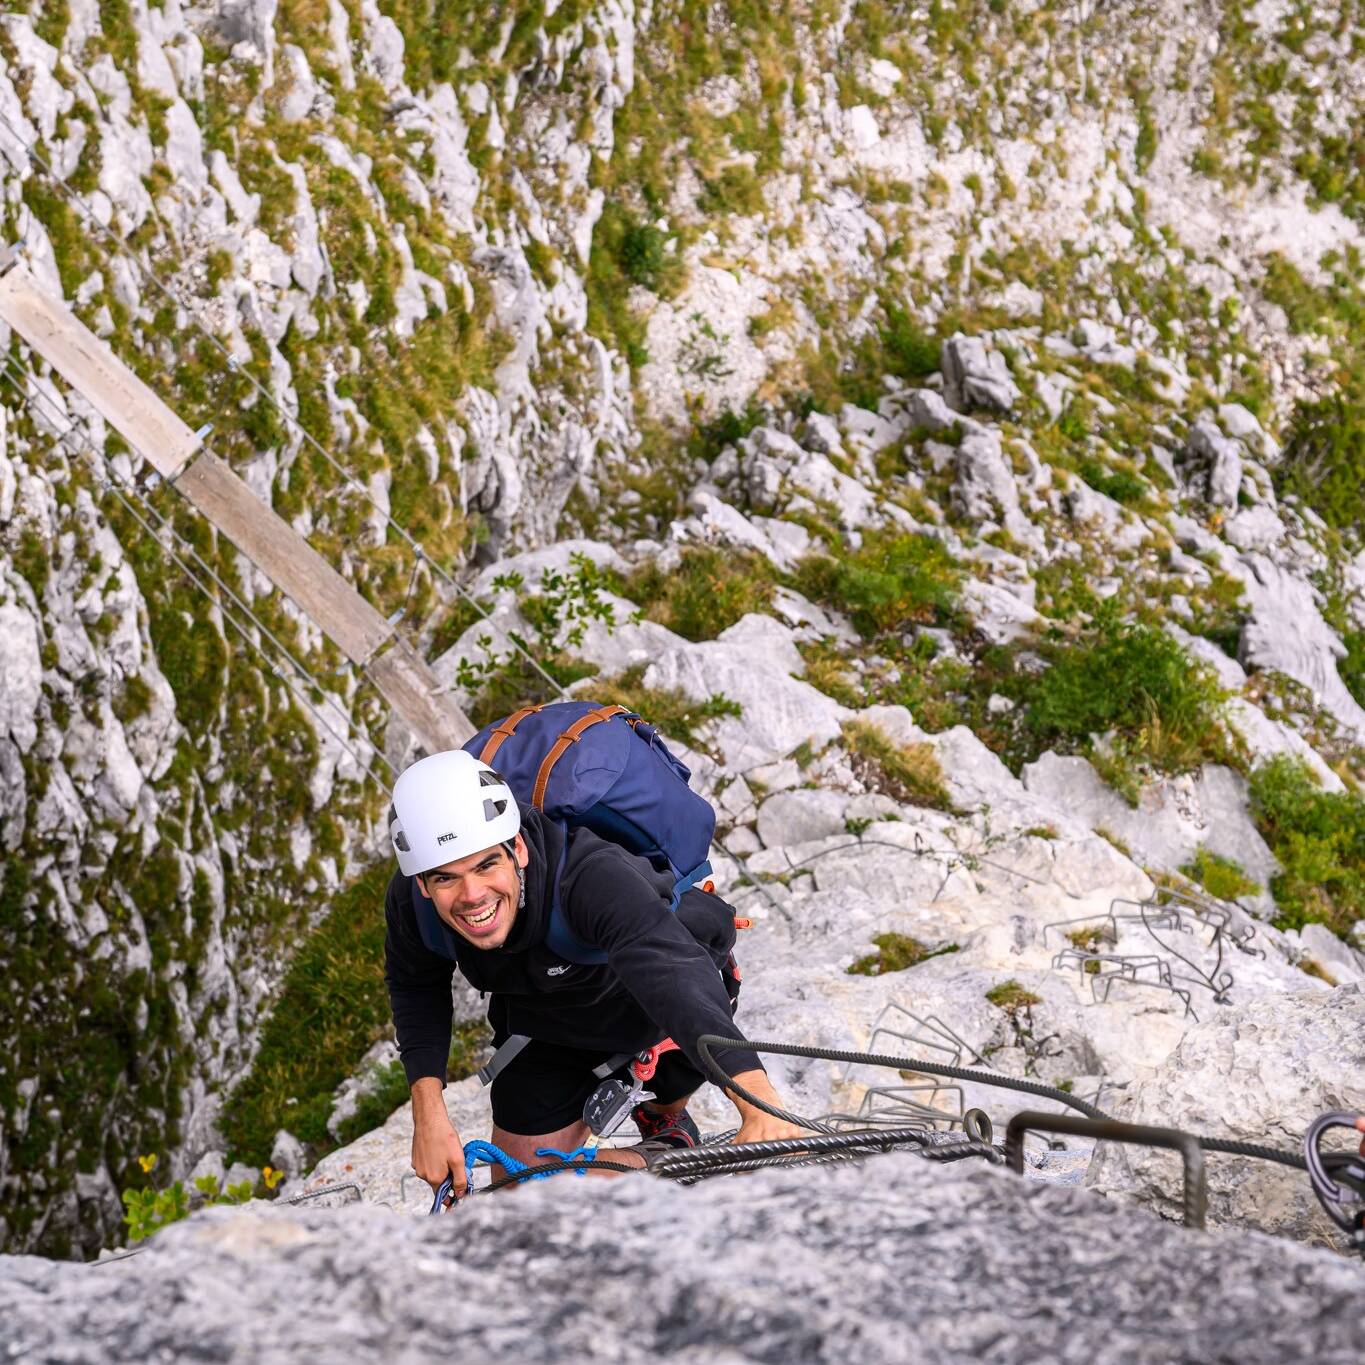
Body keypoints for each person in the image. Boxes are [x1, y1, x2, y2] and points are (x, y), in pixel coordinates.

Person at [384, 749, 804, 1202]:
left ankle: (665, 1123)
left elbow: (671, 972)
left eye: (487, 864)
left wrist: (757, 1100)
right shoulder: (413, 903)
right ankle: (668, 1154)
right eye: (446, 879)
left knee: (562, 1187)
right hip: (545, 1025)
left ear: (518, 849)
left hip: (648, 1013)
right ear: (423, 884)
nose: (472, 895)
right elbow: (416, 985)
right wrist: (427, 1114)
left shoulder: (587, 875)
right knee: (523, 1201)